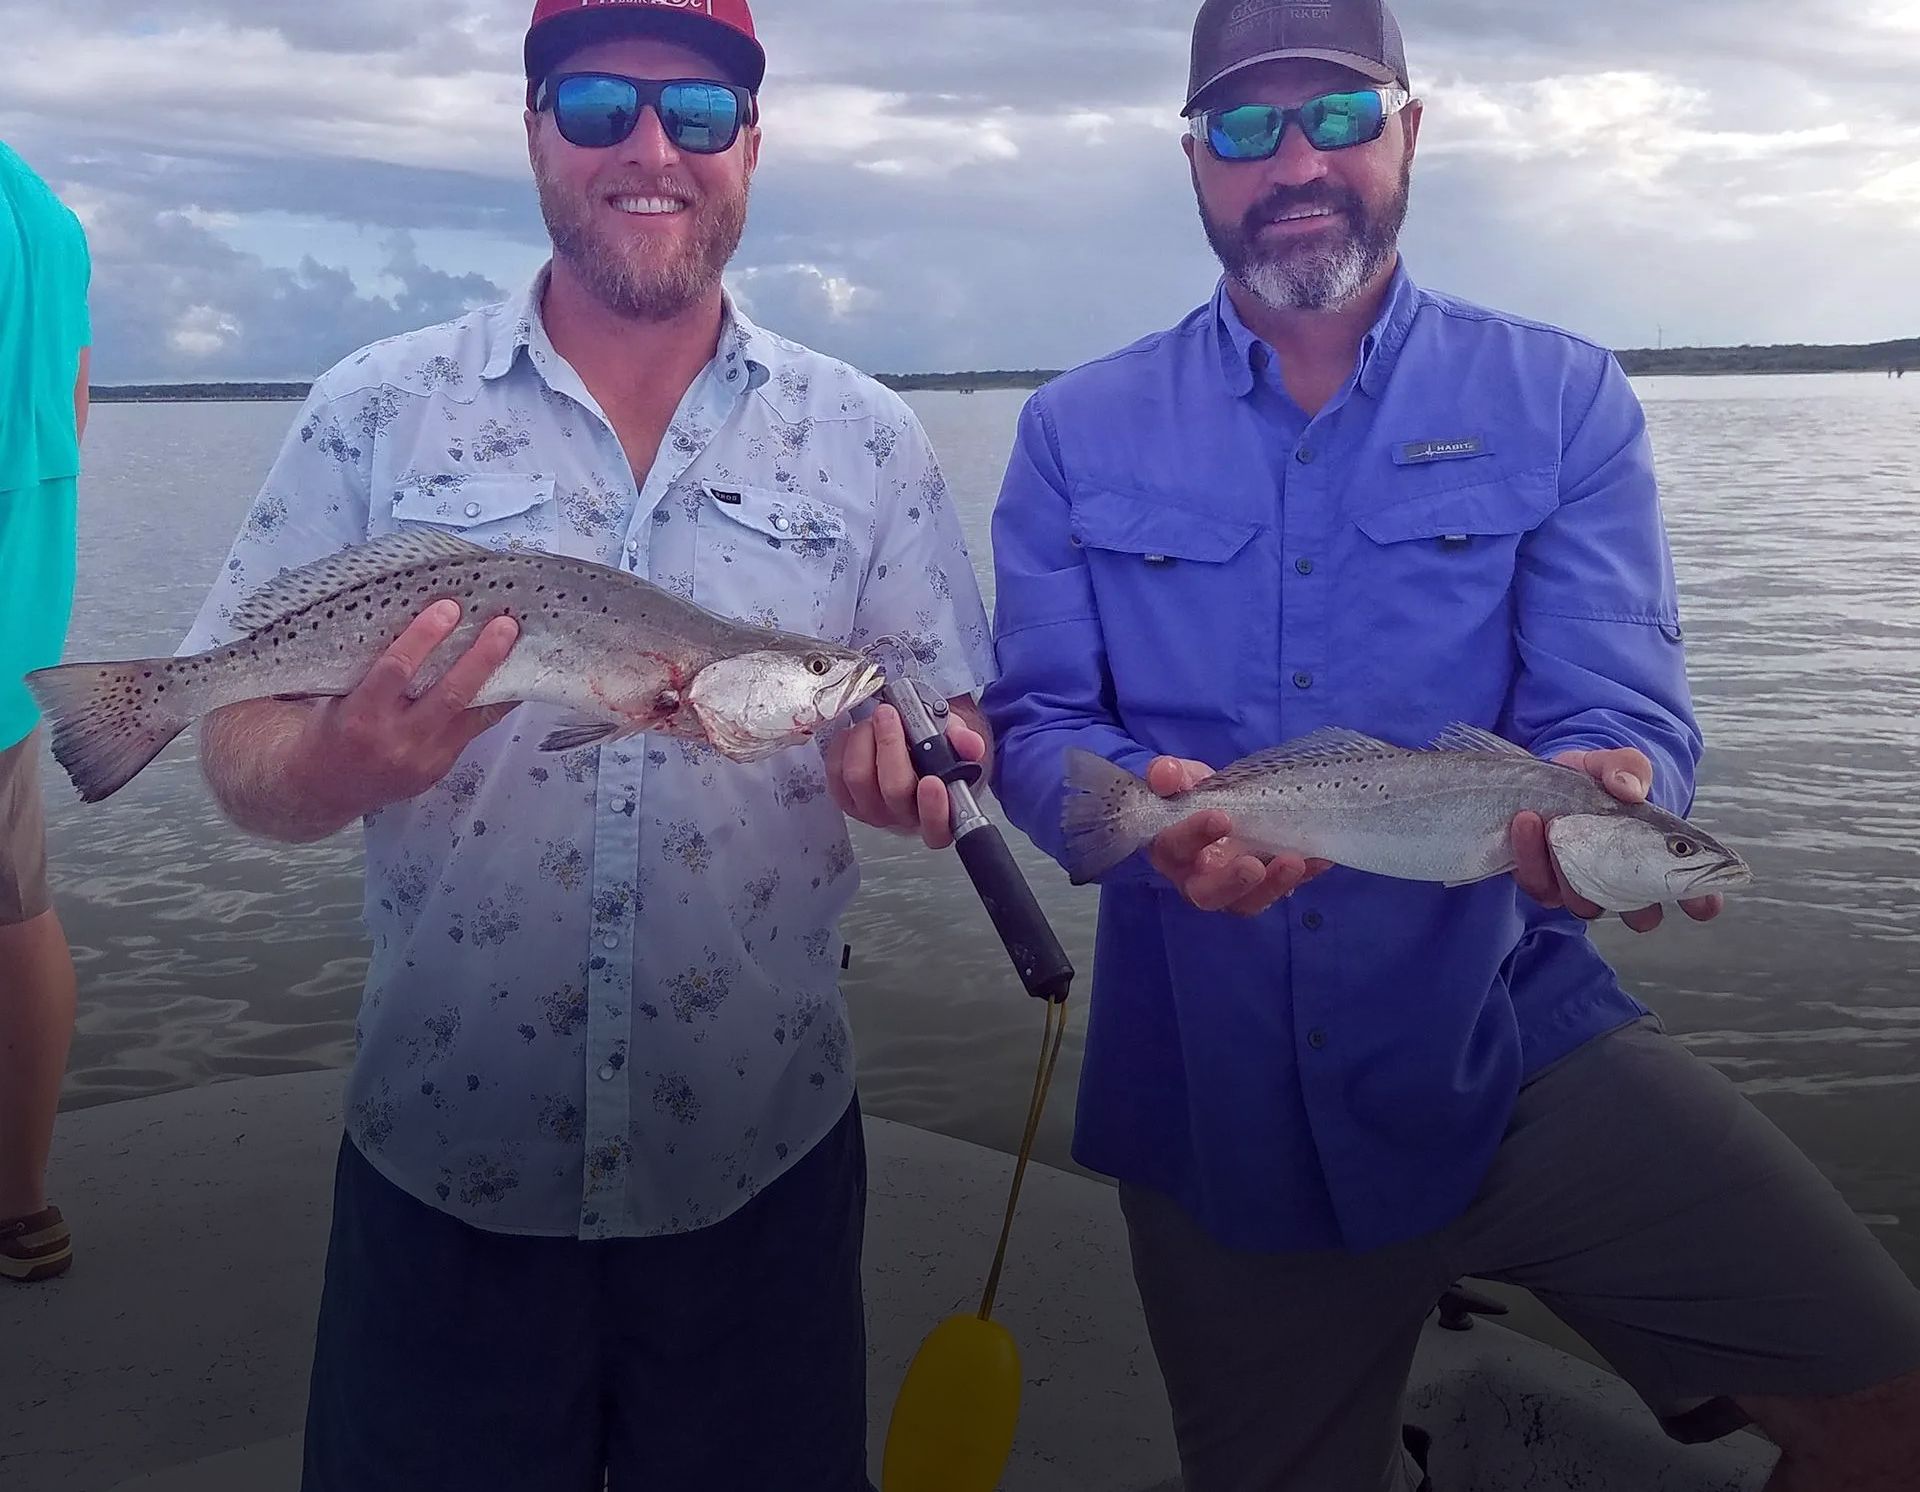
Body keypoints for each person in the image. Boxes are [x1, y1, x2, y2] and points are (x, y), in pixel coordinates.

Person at [978, 1, 1920, 1488]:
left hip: (1517, 1042)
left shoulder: (1563, 398)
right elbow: (1038, 726)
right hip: (1216, 1104)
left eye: (1340, 115)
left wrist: (1623, 790)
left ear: (1410, 130)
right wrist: (1154, 838)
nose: (1295, 158)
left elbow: (1619, 701)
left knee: (1889, 1405)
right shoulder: (1073, 430)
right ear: (1195, 163)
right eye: (1245, 125)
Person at [174, 1, 994, 1485]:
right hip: (444, 1166)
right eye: (600, 99)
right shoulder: (375, 409)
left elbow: (941, 721)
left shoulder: (868, 437)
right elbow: (233, 743)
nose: (647, 147)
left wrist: (914, 776)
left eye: (695, 114)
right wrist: (335, 766)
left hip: (763, 1165)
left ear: (752, 142)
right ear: (535, 126)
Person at [0, 139, 90, 1286]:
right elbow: (73, 406)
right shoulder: (46, 213)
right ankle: (21, 1205)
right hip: (20, 615)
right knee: (17, 903)